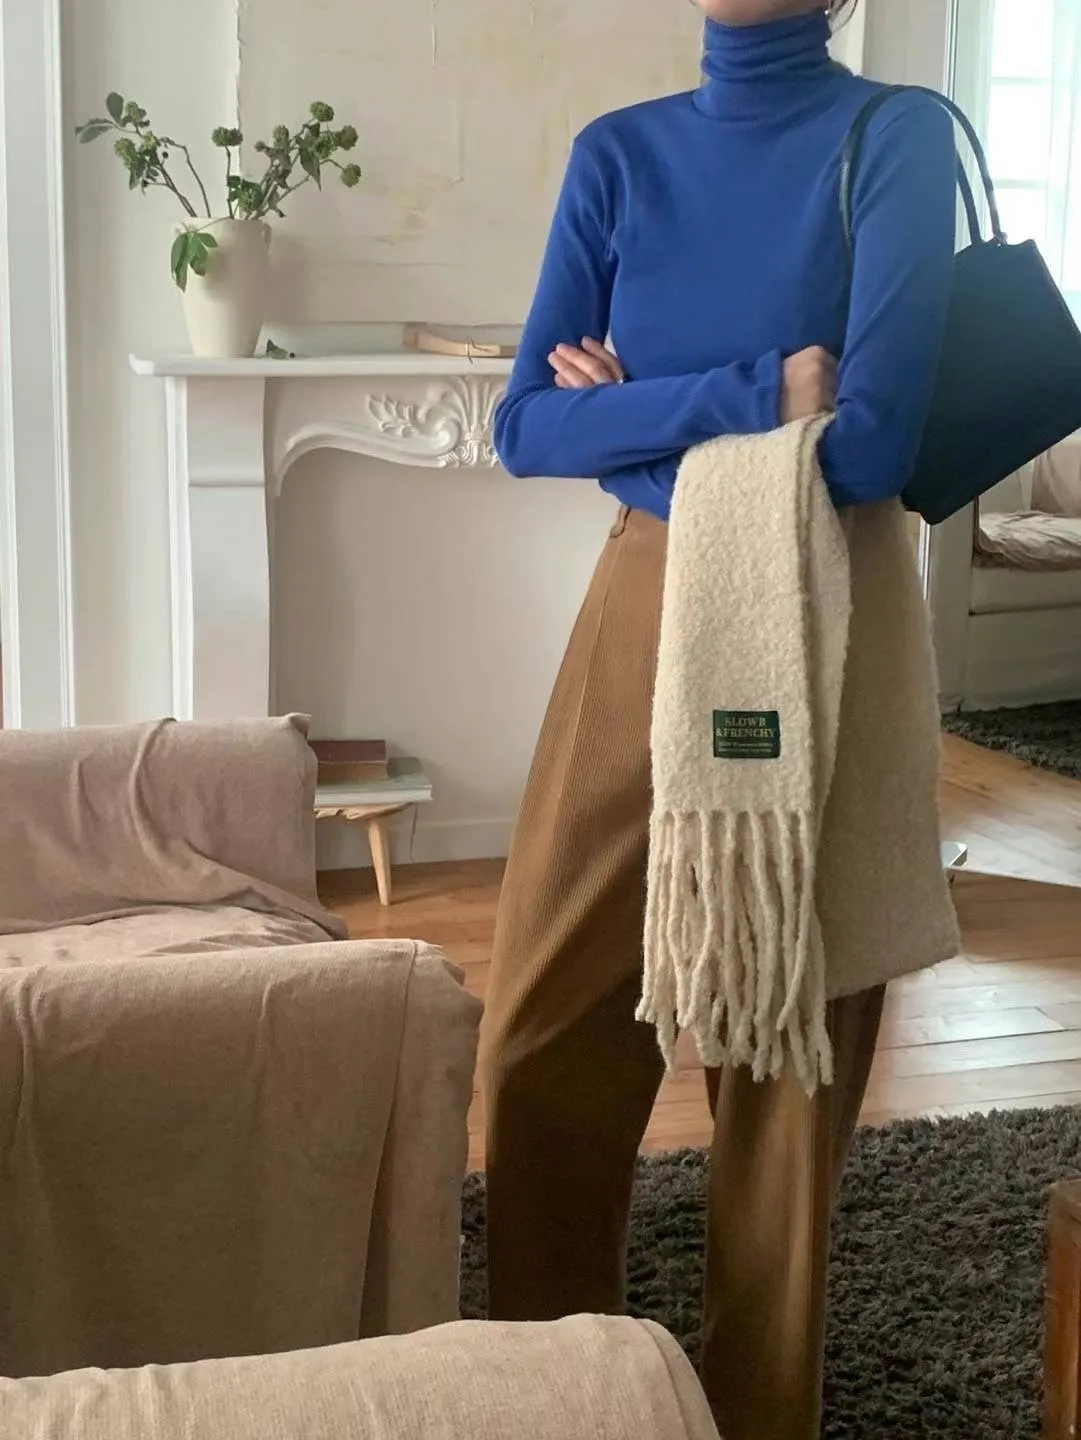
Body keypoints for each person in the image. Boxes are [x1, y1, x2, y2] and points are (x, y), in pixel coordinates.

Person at [480, 4, 957, 1438]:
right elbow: (524, 426)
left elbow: (874, 442)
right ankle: (551, 1396)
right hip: (645, 598)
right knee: (541, 1025)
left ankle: (760, 1410)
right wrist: (762, 391)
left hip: (825, 607)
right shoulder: (618, 156)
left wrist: (640, 416)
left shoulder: (894, 138)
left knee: (787, 1049)